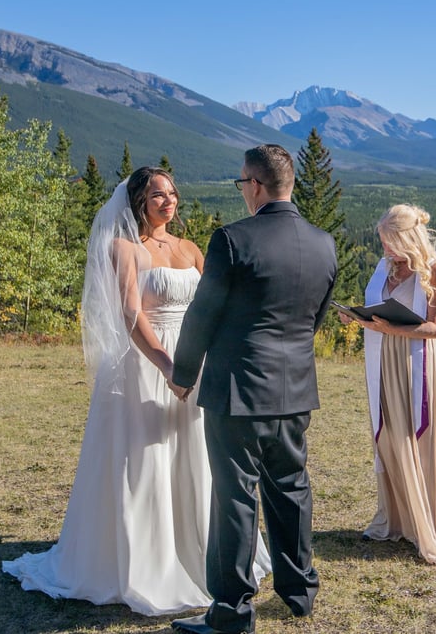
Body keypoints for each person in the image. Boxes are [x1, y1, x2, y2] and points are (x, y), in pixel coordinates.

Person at [2, 167, 270, 616]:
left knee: (195, 458)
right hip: (147, 366)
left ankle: (203, 552)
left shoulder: (189, 249)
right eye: (157, 195)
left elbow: (217, 301)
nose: (168, 201)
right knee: (145, 462)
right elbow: (130, 314)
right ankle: (148, 560)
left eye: (172, 193)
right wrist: (168, 366)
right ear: (138, 202)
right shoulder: (124, 248)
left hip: (195, 362)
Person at [169, 144, 337, 634]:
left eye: (242, 183)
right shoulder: (324, 243)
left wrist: (183, 373)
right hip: (296, 387)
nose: (242, 191)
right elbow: (313, 323)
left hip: (238, 390)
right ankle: (300, 591)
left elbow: (203, 314)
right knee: (291, 489)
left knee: (235, 497)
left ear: (256, 185)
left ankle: (231, 613)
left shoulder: (231, 240)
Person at [339, 204, 436, 565]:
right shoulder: (384, 267)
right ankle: (396, 518)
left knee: (416, 438)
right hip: (382, 360)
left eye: (390, 242)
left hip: (414, 364)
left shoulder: (432, 271)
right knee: (390, 436)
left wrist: (390, 328)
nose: (385, 250)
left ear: (407, 239)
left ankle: (428, 525)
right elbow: (376, 309)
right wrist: (357, 317)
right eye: (383, 243)